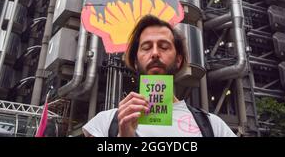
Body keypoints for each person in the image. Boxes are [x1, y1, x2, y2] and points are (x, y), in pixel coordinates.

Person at [83, 15, 236, 137]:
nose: (155, 53)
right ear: (135, 61)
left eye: (164, 47)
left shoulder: (213, 126)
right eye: (146, 47)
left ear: (178, 59)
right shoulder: (104, 123)